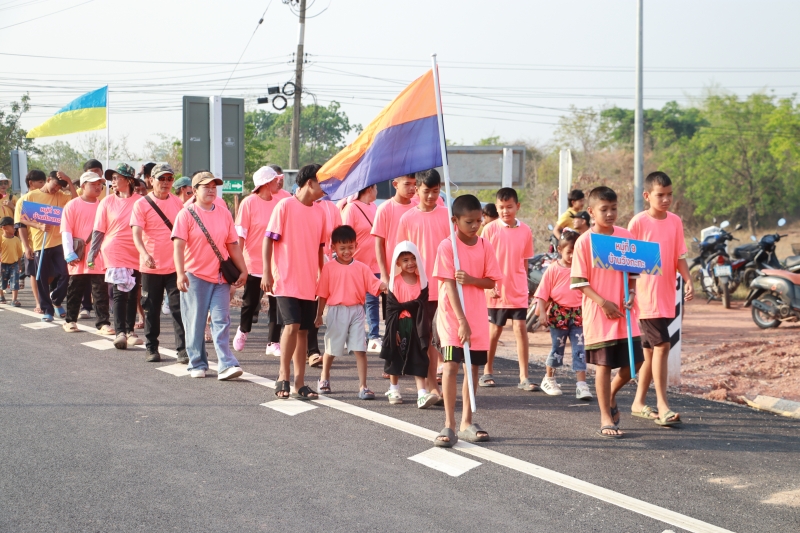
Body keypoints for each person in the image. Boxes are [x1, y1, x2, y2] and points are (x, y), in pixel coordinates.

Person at [570, 186, 644, 439]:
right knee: (604, 365)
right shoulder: (584, 242)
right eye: (604, 209)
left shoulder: (625, 236)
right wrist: (603, 303)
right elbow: (579, 282)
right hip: (599, 314)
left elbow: (633, 272)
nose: (610, 213)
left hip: (625, 314)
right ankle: (605, 417)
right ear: (591, 212)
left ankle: (610, 394)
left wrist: (631, 293)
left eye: (614, 208)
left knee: (634, 363)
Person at [432, 194, 503, 447]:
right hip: (453, 317)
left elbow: (491, 281)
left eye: (478, 221)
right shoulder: (447, 246)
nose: (475, 226)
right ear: (455, 220)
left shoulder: (484, 246)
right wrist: (461, 320)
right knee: (451, 365)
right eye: (468, 222)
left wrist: (472, 279)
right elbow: (449, 285)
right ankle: (449, 424)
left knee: (472, 369)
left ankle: (466, 422)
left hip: (478, 316)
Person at [628, 171, 694, 426]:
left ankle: (637, 403)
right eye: (660, 195)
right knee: (663, 346)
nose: (666, 199)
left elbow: (679, 256)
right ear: (647, 196)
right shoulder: (638, 223)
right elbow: (627, 262)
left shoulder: (675, 221)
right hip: (645, 297)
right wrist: (630, 292)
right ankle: (663, 406)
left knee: (649, 353)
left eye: (669, 194)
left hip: (666, 295)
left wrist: (688, 279)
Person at [173, 171, 247, 380]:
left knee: (221, 320)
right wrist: (180, 273)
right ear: (195, 190)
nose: (211, 190)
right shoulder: (186, 214)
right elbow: (178, 247)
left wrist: (243, 269)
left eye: (214, 187)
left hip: (220, 277)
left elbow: (232, 245)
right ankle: (197, 363)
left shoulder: (224, 213)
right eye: (206, 187)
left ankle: (226, 364)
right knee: (195, 322)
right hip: (195, 276)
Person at [263, 163, 327, 401]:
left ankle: (300, 382)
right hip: (286, 279)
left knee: (303, 331)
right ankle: (283, 376)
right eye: (322, 183)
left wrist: (322, 276)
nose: (325, 188)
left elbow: (320, 248)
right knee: (291, 325)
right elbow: (268, 240)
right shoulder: (285, 206)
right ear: (310, 182)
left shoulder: (321, 212)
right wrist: (267, 272)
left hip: (309, 281)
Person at [314, 225, 386, 398]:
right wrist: (319, 315)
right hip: (336, 311)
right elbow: (322, 294)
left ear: (356, 245)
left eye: (350, 247)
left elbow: (375, 284)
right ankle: (324, 377)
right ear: (333, 247)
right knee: (331, 349)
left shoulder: (362, 268)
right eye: (342, 248)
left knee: (360, 349)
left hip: (357, 312)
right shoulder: (329, 268)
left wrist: (386, 286)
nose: (347, 251)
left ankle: (363, 386)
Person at [397, 169, 450, 398]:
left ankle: (436, 384)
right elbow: (400, 256)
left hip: (444, 287)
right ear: (416, 189)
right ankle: (430, 386)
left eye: (435, 191)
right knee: (424, 338)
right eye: (426, 191)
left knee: (441, 339)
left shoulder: (448, 216)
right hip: (419, 289)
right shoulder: (407, 218)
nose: (430, 196)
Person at [131, 163, 188, 364]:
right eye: (161, 178)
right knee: (151, 309)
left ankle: (183, 350)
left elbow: (185, 232)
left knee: (178, 309)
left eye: (169, 179)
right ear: (151, 180)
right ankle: (152, 347)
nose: (165, 182)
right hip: (151, 266)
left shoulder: (178, 204)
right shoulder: (141, 204)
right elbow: (136, 234)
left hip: (175, 266)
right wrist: (144, 254)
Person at [482, 187, 537, 391]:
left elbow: (525, 262)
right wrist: (488, 286)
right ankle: (487, 371)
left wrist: (525, 286)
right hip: (496, 289)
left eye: (509, 207)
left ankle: (524, 377)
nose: (505, 211)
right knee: (494, 330)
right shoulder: (489, 230)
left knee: (520, 328)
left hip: (518, 289)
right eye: (501, 207)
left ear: (517, 206)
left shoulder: (526, 230)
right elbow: (482, 260)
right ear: (496, 208)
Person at [87, 163, 143, 349]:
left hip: (137, 252)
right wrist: (92, 253)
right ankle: (120, 333)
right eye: (112, 178)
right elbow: (98, 229)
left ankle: (130, 330)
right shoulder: (107, 202)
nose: (113, 181)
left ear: (129, 180)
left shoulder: (141, 202)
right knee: (120, 292)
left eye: (117, 178)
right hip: (115, 250)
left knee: (133, 293)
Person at [380, 241, 439, 408]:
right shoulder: (395, 283)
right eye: (405, 260)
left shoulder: (422, 282)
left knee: (419, 356)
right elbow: (391, 309)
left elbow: (423, 306)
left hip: (416, 325)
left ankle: (422, 393)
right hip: (399, 325)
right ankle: (393, 388)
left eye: (413, 258)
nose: (410, 263)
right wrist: (393, 331)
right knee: (395, 356)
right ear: (398, 263)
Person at [534, 231, 592, 399]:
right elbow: (542, 294)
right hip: (559, 313)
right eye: (569, 251)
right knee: (557, 348)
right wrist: (542, 313)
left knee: (580, 349)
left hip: (579, 314)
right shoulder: (553, 269)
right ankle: (549, 379)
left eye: (576, 251)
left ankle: (581, 385)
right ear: (560, 250)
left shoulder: (583, 269)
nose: (573, 255)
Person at [14, 169, 76, 321]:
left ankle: (56, 299)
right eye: (55, 184)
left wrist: (69, 181)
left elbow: (76, 202)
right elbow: (22, 221)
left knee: (65, 273)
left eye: (60, 186)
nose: (57, 189)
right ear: (48, 180)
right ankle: (47, 309)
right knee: (41, 278)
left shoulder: (61, 196)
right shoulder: (30, 197)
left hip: (59, 242)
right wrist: (37, 228)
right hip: (40, 244)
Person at [232, 166, 281, 353]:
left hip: (275, 263)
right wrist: (238, 264)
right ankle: (243, 330)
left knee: (276, 304)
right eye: (275, 180)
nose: (278, 182)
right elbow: (240, 235)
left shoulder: (279, 203)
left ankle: (273, 342)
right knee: (250, 302)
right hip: (252, 263)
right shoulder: (249, 203)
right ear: (266, 183)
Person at [59, 172, 113, 334]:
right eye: (93, 184)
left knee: (100, 291)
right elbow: (66, 231)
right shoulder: (72, 205)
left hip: (98, 255)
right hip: (79, 254)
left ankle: (103, 323)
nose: (98, 187)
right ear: (82, 186)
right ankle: (70, 321)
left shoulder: (103, 205)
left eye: (99, 184)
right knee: (75, 289)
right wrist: (68, 253)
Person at [341, 185, 381, 352]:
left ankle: (374, 336)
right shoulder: (351, 208)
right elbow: (344, 236)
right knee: (354, 302)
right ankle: (352, 335)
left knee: (373, 300)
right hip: (356, 263)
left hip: (375, 263)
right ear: (369, 189)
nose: (377, 191)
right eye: (375, 187)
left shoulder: (374, 207)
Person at [306, 196, 342, 367]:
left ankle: (313, 350)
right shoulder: (295, 205)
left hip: (323, 263)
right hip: (301, 263)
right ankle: (304, 347)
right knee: (304, 308)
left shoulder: (331, 208)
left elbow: (338, 236)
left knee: (316, 305)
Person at [17, 170, 46, 312]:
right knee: (35, 274)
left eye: (44, 182)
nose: (43, 185)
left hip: (46, 243)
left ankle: (46, 296)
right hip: (32, 244)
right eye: (40, 182)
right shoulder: (24, 200)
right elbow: (20, 225)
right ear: (31, 183)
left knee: (50, 273)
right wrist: (27, 247)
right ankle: (38, 302)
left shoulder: (45, 198)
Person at [0, 216, 22, 306]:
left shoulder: (16, 240)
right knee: (1, 281)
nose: (14, 228)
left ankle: (14, 299)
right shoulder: (1, 239)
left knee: (15, 281)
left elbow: (19, 253)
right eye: (12, 226)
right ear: (4, 228)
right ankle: (1, 296)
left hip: (14, 264)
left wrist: (19, 265)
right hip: (2, 264)